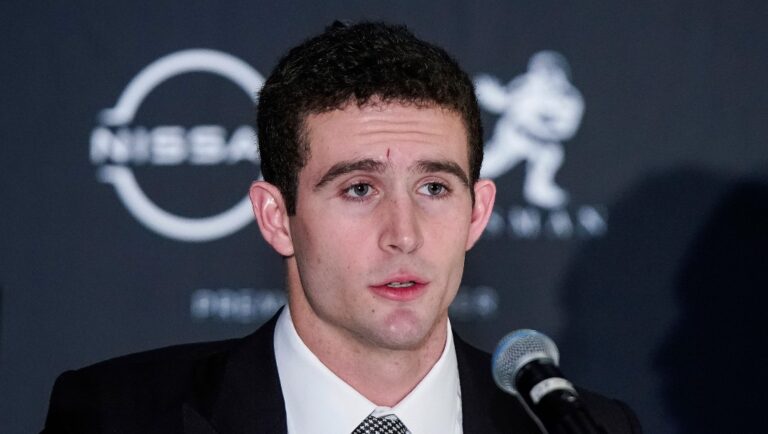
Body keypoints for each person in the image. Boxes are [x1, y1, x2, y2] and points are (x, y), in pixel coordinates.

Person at [42, 21, 641, 434]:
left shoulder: (580, 426)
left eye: (434, 188)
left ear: (477, 213)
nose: (403, 234)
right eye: (359, 189)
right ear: (277, 218)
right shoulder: (117, 417)